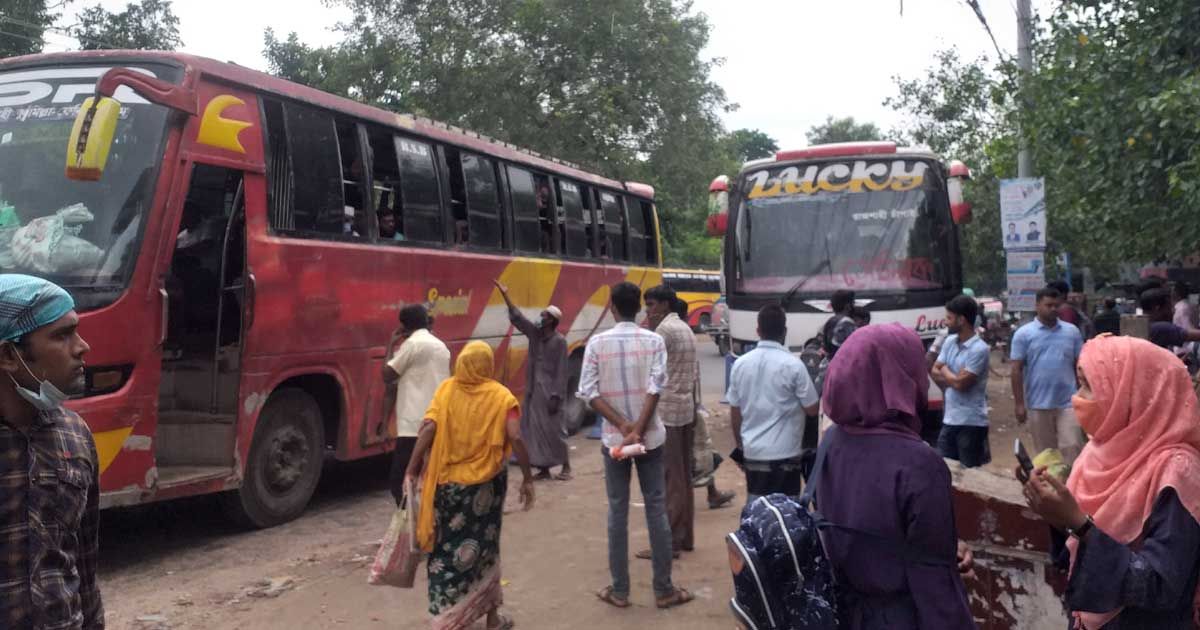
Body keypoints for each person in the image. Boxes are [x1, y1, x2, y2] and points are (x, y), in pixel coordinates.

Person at [1018, 335, 1200, 629]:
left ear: (1130, 392)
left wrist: (1079, 524)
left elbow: (1160, 586)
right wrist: (1055, 514)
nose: (1077, 397)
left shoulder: (1177, 470)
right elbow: (1073, 558)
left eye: (1088, 385)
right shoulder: (1097, 451)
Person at [814, 324, 977, 629]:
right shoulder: (918, 463)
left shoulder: (831, 442)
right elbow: (935, 587)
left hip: (843, 611)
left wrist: (941, 546)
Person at [577, 282, 692, 610]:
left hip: (615, 441)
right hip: (650, 438)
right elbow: (656, 388)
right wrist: (638, 428)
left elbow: (589, 392)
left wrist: (624, 427)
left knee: (617, 510)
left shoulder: (597, 343)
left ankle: (620, 590)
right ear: (639, 308)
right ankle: (663, 589)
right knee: (656, 507)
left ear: (612, 307)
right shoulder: (654, 341)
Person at [406, 341, 534, 630]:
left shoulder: (446, 390)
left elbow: (428, 428)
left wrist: (411, 469)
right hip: (484, 490)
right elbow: (515, 436)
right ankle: (491, 619)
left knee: (445, 553)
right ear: (487, 365)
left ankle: (448, 620)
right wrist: (527, 477)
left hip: (448, 487)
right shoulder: (502, 397)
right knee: (486, 550)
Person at [0, 275, 104, 629]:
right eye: (62, 335)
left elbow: (84, 563)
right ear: (9, 356)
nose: (82, 347)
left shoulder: (75, 436)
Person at [727, 304, 820, 502]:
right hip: (786, 454)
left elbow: (735, 413)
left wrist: (741, 447)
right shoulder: (794, 365)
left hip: (753, 452)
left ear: (758, 331)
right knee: (786, 514)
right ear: (784, 331)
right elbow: (813, 409)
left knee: (757, 510)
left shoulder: (740, 365)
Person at [493, 280, 571, 481]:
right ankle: (544, 469)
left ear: (552, 320)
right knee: (536, 430)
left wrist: (556, 396)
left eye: (544, 315)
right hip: (534, 391)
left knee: (556, 430)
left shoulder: (560, 342)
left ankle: (566, 467)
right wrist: (506, 296)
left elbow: (562, 371)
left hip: (551, 393)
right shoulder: (535, 335)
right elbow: (519, 319)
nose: (540, 318)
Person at [642, 285, 697, 557]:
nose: (648, 312)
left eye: (651, 305)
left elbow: (652, 375)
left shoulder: (663, 331)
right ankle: (684, 536)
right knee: (683, 477)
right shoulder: (684, 327)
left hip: (669, 414)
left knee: (670, 479)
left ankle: (669, 542)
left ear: (664, 305)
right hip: (685, 410)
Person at [669, 298, 735, 510]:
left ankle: (708, 493)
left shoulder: (670, 335)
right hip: (686, 404)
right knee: (699, 451)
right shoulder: (686, 335)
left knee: (700, 452)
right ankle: (707, 493)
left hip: (679, 407)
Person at [383, 304, 451, 505]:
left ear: (403, 326)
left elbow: (387, 375)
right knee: (429, 478)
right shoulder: (441, 346)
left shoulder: (412, 345)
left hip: (413, 426)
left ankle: (411, 525)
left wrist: (390, 345)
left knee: (399, 481)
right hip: (437, 421)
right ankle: (426, 521)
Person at [1011, 287, 1085, 464]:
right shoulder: (1023, 334)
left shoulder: (1072, 332)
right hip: (1038, 404)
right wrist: (1019, 404)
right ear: (1037, 306)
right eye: (1048, 305)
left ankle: (1071, 489)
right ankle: (1051, 490)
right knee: (1046, 455)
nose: (1053, 309)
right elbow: (1016, 370)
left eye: (1056, 305)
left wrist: (1084, 394)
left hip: (1068, 402)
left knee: (1073, 447)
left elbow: (1080, 365)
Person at [932, 295, 991, 467]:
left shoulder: (979, 349)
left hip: (971, 422)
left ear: (962, 320)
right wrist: (951, 375)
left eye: (949, 318)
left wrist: (943, 368)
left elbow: (960, 384)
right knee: (943, 469)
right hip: (949, 419)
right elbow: (934, 371)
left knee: (969, 475)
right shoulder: (950, 341)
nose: (946, 322)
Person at [822, 289, 857, 359]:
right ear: (848, 306)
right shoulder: (847, 322)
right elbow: (854, 348)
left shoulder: (830, 321)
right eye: (853, 303)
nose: (854, 306)